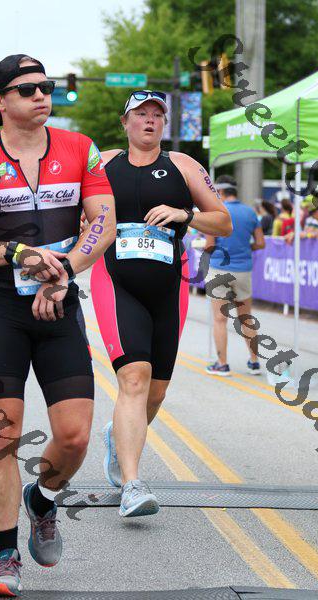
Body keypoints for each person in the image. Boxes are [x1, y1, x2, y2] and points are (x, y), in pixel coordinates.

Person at [0, 54, 116, 597]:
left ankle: (41, 499)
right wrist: (19, 253)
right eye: (27, 89)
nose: (41, 95)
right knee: (3, 436)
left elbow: (102, 221)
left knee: (73, 437)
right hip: (2, 308)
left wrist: (64, 271)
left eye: (45, 86)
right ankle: (6, 558)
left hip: (61, 303)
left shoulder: (79, 147)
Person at [89, 90, 232, 518]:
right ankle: (132, 485)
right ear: (125, 122)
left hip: (170, 284)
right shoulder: (103, 163)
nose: (150, 120)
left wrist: (184, 214)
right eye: (141, 114)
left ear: (164, 123)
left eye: (157, 114)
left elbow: (222, 220)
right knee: (134, 377)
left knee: (156, 391)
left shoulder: (183, 166)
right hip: (116, 279)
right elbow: (75, 209)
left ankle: (118, 436)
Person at [204, 175, 265, 377]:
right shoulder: (250, 212)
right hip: (243, 269)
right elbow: (260, 243)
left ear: (220, 191)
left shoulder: (216, 212)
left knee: (220, 319)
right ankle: (254, 362)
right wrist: (245, 249)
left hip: (219, 269)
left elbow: (210, 245)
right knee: (246, 318)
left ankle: (222, 364)